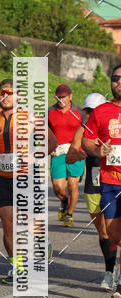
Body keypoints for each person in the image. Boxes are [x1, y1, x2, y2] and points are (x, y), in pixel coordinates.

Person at [0, 77, 57, 283]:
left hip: (27, 178)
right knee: (8, 224)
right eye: (2, 93)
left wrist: (34, 156)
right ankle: (18, 267)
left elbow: (52, 142)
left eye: (9, 92)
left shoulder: (31, 118)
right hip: (4, 178)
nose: (5, 96)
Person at [65, 93, 116, 289]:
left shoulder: (114, 126)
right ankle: (109, 272)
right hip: (93, 186)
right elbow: (69, 157)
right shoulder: (82, 130)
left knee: (115, 231)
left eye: (94, 111)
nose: (90, 114)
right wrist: (79, 154)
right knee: (104, 232)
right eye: (88, 111)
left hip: (114, 181)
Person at [81, 65, 121, 298]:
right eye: (116, 78)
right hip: (109, 181)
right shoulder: (101, 112)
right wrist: (97, 150)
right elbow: (86, 141)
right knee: (113, 233)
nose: (119, 82)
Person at [48, 84, 84, 227]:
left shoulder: (79, 112)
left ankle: (69, 214)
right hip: (58, 153)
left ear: (70, 97)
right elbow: (40, 132)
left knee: (73, 185)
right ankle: (64, 201)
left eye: (63, 97)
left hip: (75, 152)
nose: (60, 99)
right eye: (58, 97)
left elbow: (88, 131)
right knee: (58, 188)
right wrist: (48, 147)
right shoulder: (50, 111)